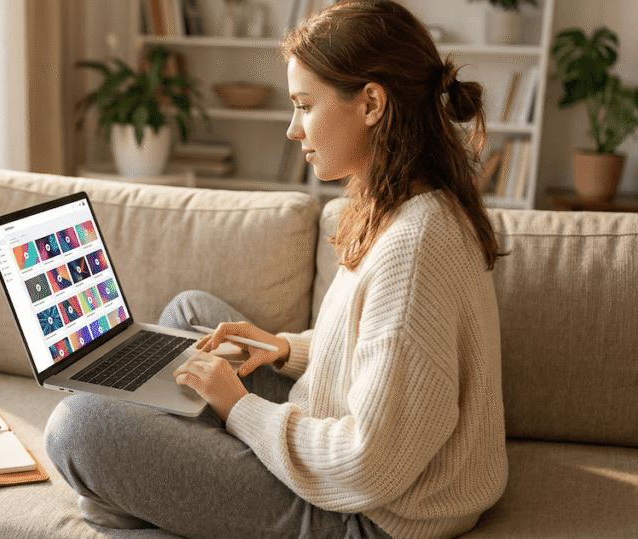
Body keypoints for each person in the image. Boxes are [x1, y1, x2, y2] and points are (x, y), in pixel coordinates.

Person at [43, 1, 507, 537]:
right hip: (350, 451)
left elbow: (368, 465)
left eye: (305, 105)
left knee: (79, 426)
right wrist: (284, 348)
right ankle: (158, 478)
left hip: (368, 513)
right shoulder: (411, 204)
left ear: (372, 103)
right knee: (191, 312)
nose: (293, 129)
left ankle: (140, 491)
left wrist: (239, 408)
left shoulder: (414, 248)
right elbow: (381, 349)